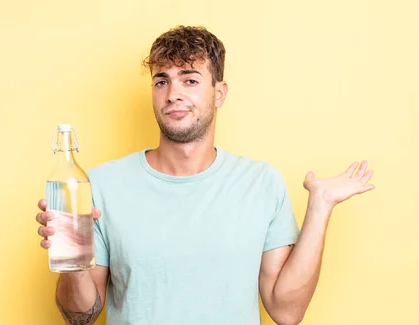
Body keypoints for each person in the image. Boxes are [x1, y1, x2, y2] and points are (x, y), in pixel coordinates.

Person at [35, 25, 375, 325]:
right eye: (162, 80)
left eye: (190, 80)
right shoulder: (100, 187)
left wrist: (321, 204)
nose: (173, 94)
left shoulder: (260, 183)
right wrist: (72, 261)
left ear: (219, 92)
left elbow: (286, 312)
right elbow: (79, 317)